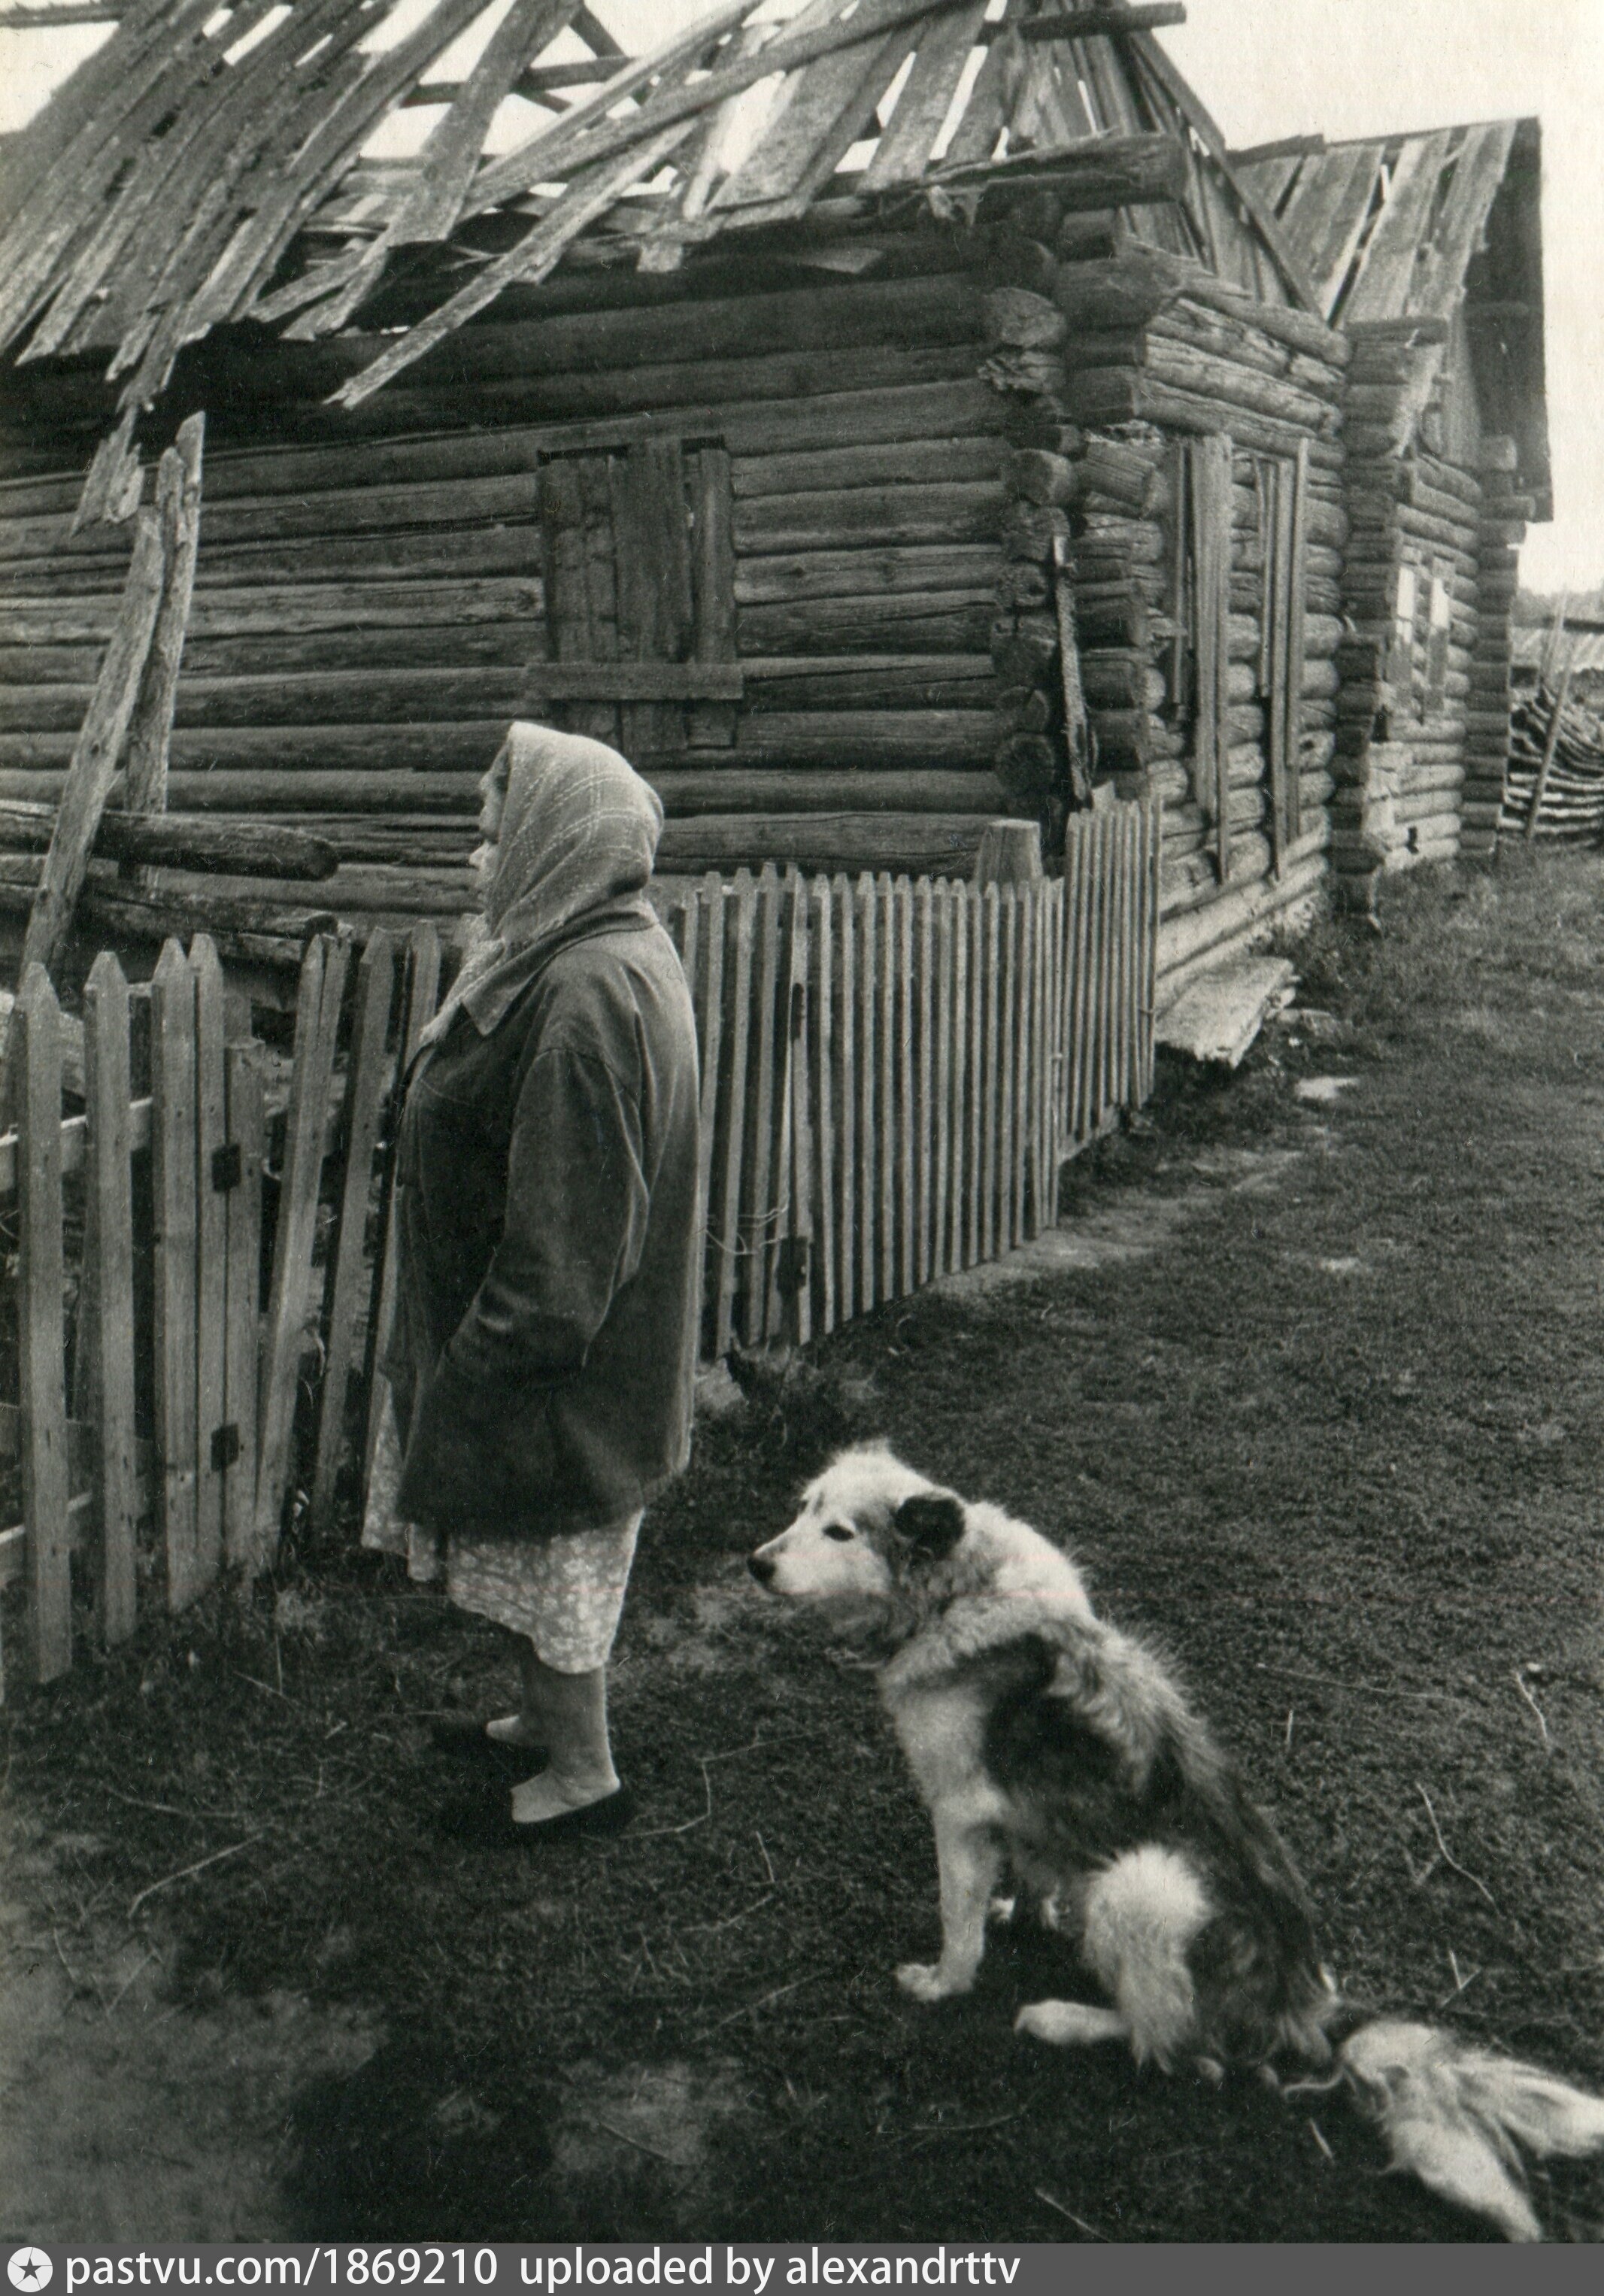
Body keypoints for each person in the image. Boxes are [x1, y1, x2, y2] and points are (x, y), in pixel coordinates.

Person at [384, 721, 701, 1843]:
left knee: (555, 1561)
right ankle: (538, 1719)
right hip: (552, 1356)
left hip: (554, 1366)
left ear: (555, 838)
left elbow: (563, 1259)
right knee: (530, 1559)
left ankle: (584, 1774)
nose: (476, 860)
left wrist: (472, 1370)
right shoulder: (582, 943)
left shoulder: (583, 1002)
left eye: (491, 836)